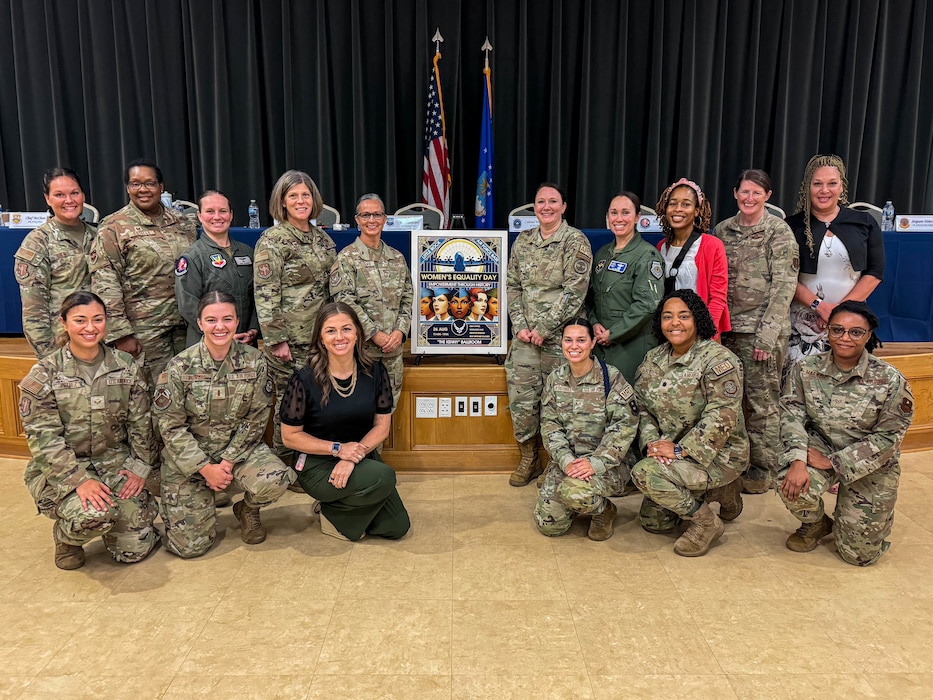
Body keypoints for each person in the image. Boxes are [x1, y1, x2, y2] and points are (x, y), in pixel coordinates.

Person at [19, 291, 158, 570]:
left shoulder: (125, 366)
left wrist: (139, 467)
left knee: (134, 550)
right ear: (63, 322)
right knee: (93, 516)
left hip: (115, 464)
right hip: (66, 470)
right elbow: (45, 440)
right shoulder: (45, 374)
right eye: (80, 320)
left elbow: (142, 422)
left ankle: (116, 525)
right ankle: (67, 536)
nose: (90, 328)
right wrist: (79, 480)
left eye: (98, 319)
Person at [155, 292, 292, 557]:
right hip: (192, 459)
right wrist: (206, 469)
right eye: (212, 320)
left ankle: (247, 509)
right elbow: (171, 428)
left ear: (237, 321)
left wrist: (227, 463)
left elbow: (256, 419)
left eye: (227, 319)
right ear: (200, 323)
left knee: (276, 479)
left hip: (238, 452)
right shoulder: (179, 367)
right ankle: (200, 501)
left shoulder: (255, 361)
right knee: (189, 548)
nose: (220, 326)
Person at [777, 301, 913, 566]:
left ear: (868, 335)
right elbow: (791, 413)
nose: (845, 338)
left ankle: (864, 517)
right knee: (791, 485)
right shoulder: (806, 369)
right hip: (821, 446)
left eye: (855, 332)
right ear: (827, 331)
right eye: (837, 330)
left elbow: (888, 439)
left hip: (870, 464)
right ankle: (817, 524)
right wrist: (796, 460)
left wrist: (834, 463)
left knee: (859, 556)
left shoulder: (890, 379)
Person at [631, 290, 749, 557]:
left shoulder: (718, 360)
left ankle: (706, 523)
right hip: (669, 453)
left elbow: (723, 415)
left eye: (683, 316)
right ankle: (717, 492)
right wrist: (652, 443)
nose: (675, 323)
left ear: (697, 320)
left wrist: (679, 451)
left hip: (717, 455)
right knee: (655, 523)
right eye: (667, 317)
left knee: (644, 474)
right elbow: (642, 408)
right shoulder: (654, 358)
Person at [280, 302, 410, 541]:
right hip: (317, 463)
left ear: (358, 333)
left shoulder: (375, 371)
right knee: (384, 477)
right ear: (320, 338)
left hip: (360, 456)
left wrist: (352, 457)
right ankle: (332, 506)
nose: (340, 337)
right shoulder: (303, 379)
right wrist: (338, 449)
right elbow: (289, 437)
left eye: (347, 329)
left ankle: (336, 507)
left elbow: (382, 426)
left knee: (397, 526)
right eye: (331, 330)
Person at [712, 170, 798, 494]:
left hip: (761, 332)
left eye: (756, 193)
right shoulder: (722, 230)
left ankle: (763, 469)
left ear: (768, 196)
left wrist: (767, 335)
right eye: (744, 192)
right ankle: (734, 462)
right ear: (735, 193)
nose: (749, 199)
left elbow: (784, 287)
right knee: (729, 401)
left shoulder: (778, 232)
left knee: (763, 403)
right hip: (727, 330)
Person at [505, 183, 593, 486]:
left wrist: (543, 329)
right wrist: (521, 325)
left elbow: (574, 292)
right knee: (523, 402)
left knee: (561, 403)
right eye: (540, 201)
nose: (546, 207)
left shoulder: (574, 241)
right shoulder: (524, 240)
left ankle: (558, 464)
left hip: (561, 342)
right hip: (525, 340)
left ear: (564, 206)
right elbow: (512, 286)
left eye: (553, 201)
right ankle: (529, 458)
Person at [253, 170, 336, 468]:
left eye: (305, 195)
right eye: (293, 196)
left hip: (322, 340)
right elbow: (265, 293)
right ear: (282, 202)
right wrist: (276, 340)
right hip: (290, 343)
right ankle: (284, 464)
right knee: (290, 406)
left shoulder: (323, 239)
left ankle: (309, 463)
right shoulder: (273, 241)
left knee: (319, 401)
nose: (301, 201)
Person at [89, 159, 197, 381]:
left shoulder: (183, 223)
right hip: (144, 332)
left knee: (187, 390)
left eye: (149, 183)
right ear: (128, 188)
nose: (143, 190)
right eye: (135, 184)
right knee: (152, 395)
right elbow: (105, 284)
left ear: (161, 187)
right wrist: (120, 334)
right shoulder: (113, 227)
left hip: (185, 327)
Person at [534, 318, 638, 541]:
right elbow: (550, 426)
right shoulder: (555, 379)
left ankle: (603, 510)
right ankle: (581, 501)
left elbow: (624, 428)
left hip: (607, 465)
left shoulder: (611, 378)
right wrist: (565, 460)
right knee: (550, 525)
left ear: (592, 343)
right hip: (569, 463)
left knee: (575, 493)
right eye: (568, 340)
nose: (574, 346)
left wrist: (595, 463)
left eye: (581, 340)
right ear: (561, 343)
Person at [784, 154, 884, 375]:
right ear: (807, 187)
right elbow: (784, 277)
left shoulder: (864, 223)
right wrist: (821, 308)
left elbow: (875, 272)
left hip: (851, 321)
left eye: (832, 183)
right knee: (799, 386)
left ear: (842, 187)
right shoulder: (790, 227)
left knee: (848, 387)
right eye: (817, 183)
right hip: (803, 324)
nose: (824, 190)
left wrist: (840, 312)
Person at [330, 193, 413, 408]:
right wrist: (374, 334)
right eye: (366, 215)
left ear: (385, 219)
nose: (372, 220)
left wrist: (400, 332)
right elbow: (344, 302)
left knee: (387, 412)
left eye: (377, 214)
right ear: (357, 220)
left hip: (392, 353)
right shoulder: (346, 259)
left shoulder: (397, 258)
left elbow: (408, 298)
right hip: (361, 353)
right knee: (360, 412)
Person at [15, 167, 97, 359]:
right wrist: (50, 359)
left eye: (74, 193)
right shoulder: (38, 242)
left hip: (99, 338)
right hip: (63, 345)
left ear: (83, 195)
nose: (69, 201)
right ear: (47, 199)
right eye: (59, 194)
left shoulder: (99, 236)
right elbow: (34, 312)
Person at [589, 191, 665, 385]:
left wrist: (613, 334)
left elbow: (648, 304)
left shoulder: (647, 256)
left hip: (631, 346)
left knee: (628, 405)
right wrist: (594, 322)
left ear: (637, 217)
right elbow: (590, 297)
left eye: (625, 212)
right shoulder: (602, 254)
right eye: (614, 213)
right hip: (600, 344)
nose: (619, 218)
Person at [175, 190, 260, 348]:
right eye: (210, 211)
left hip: (244, 343)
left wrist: (254, 329)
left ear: (231, 214)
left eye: (223, 211)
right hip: (207, 344)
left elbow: (259, 295)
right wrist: (223, 333)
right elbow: (188, 305)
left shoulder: (247, 252)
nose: (217, 217)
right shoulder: (192, 257)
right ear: (199, 216)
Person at [655, 178, 730, 337]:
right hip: (669, 332)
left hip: (700, 334)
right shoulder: (660, 247)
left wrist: (704, 333)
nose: (678, 209)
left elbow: (718, 298)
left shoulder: (712, 245)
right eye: (673, 203)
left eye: (686, 204)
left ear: (697, 211)